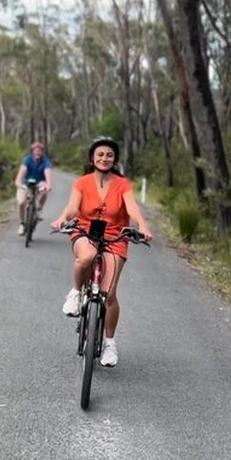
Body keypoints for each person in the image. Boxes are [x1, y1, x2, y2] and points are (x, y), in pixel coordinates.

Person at [50, 137, 153, 367]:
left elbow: (132, 207)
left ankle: (109, 344)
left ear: (114, 159)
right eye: (100, 154)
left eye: (109, 155)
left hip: (115, 236)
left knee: (108, 294)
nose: (104, 158)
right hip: (85, 232)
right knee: (85, 257)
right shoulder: (82, 182)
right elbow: (73, 208)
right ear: (92, 158)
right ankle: (76, 293)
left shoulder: (123, 184)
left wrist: (143, 225)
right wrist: (62, 218)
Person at [14, 141, 53, 236]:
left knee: (44, 191)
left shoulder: (46, 161)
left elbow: (48, 175)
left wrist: (48, 185)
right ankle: (22, 223)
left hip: (39, 183)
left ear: (42, 152)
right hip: (26, 183)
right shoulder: (27, 160)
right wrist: (20, 185)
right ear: (32, 152)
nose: (37, 153)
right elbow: (19, 177)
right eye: (35, 151)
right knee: (21, 202)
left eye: (40, 151)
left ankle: (39, 210)